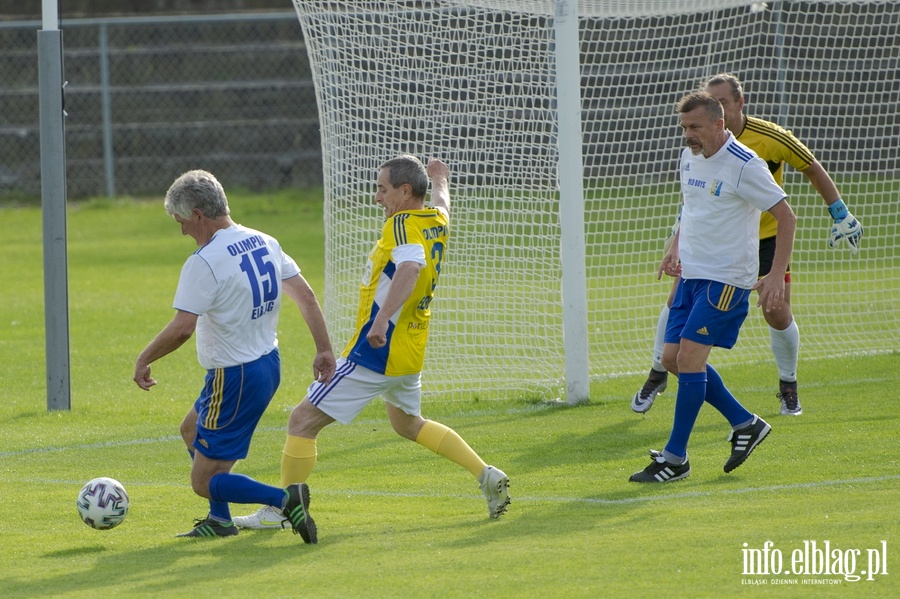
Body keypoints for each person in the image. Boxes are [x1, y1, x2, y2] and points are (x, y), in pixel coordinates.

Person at [233, 155, 511, 531]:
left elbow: (410, 269)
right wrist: (440, 178)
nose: (377, 197)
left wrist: (379, 323)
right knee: (408, 424)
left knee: (302, 419)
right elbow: (443, 200)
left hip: (375, 352)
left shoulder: (400, 224)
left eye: (382, 189)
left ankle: (282, 509)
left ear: (404, 191)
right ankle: (486, 474)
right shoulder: (436, 219)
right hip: (410, 351)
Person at [631, 73, 862, 417]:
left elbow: (811, 171)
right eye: (711, 99)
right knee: (674, 304)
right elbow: (692, 202)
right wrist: (675, 242)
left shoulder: (764, 142)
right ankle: (659, 373)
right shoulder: (695, 149)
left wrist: (839, 211)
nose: (715, 105)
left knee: (776, 310)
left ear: (737, 105)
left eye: (722, 101)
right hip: (708, 245)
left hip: (763, 241)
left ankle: (787, 385)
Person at [133, 169, 336, 541]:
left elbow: (182, 328)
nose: (181, 231)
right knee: (190, 429)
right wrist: (324, 348)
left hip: (235, 376)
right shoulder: (264, 241)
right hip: (267, 364)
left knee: (204, 481)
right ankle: (220, 521)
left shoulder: (204, 261)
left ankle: (283, 500)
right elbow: (305, 296)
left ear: (197, 214)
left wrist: (144, 357)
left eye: (181, 222)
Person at [629, 91, 796, 483]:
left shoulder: (745, 165)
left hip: (726, 278)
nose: (688, 135)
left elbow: (786, 217)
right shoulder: (690, 156)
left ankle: (675, 458)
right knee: (672, 359)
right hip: (692, 274)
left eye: (695, 127)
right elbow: (691, 206)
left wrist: (775, 274)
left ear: (720, 124)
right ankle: (745, 423)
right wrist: (674, 248)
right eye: (684, 127)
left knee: (688, 360)